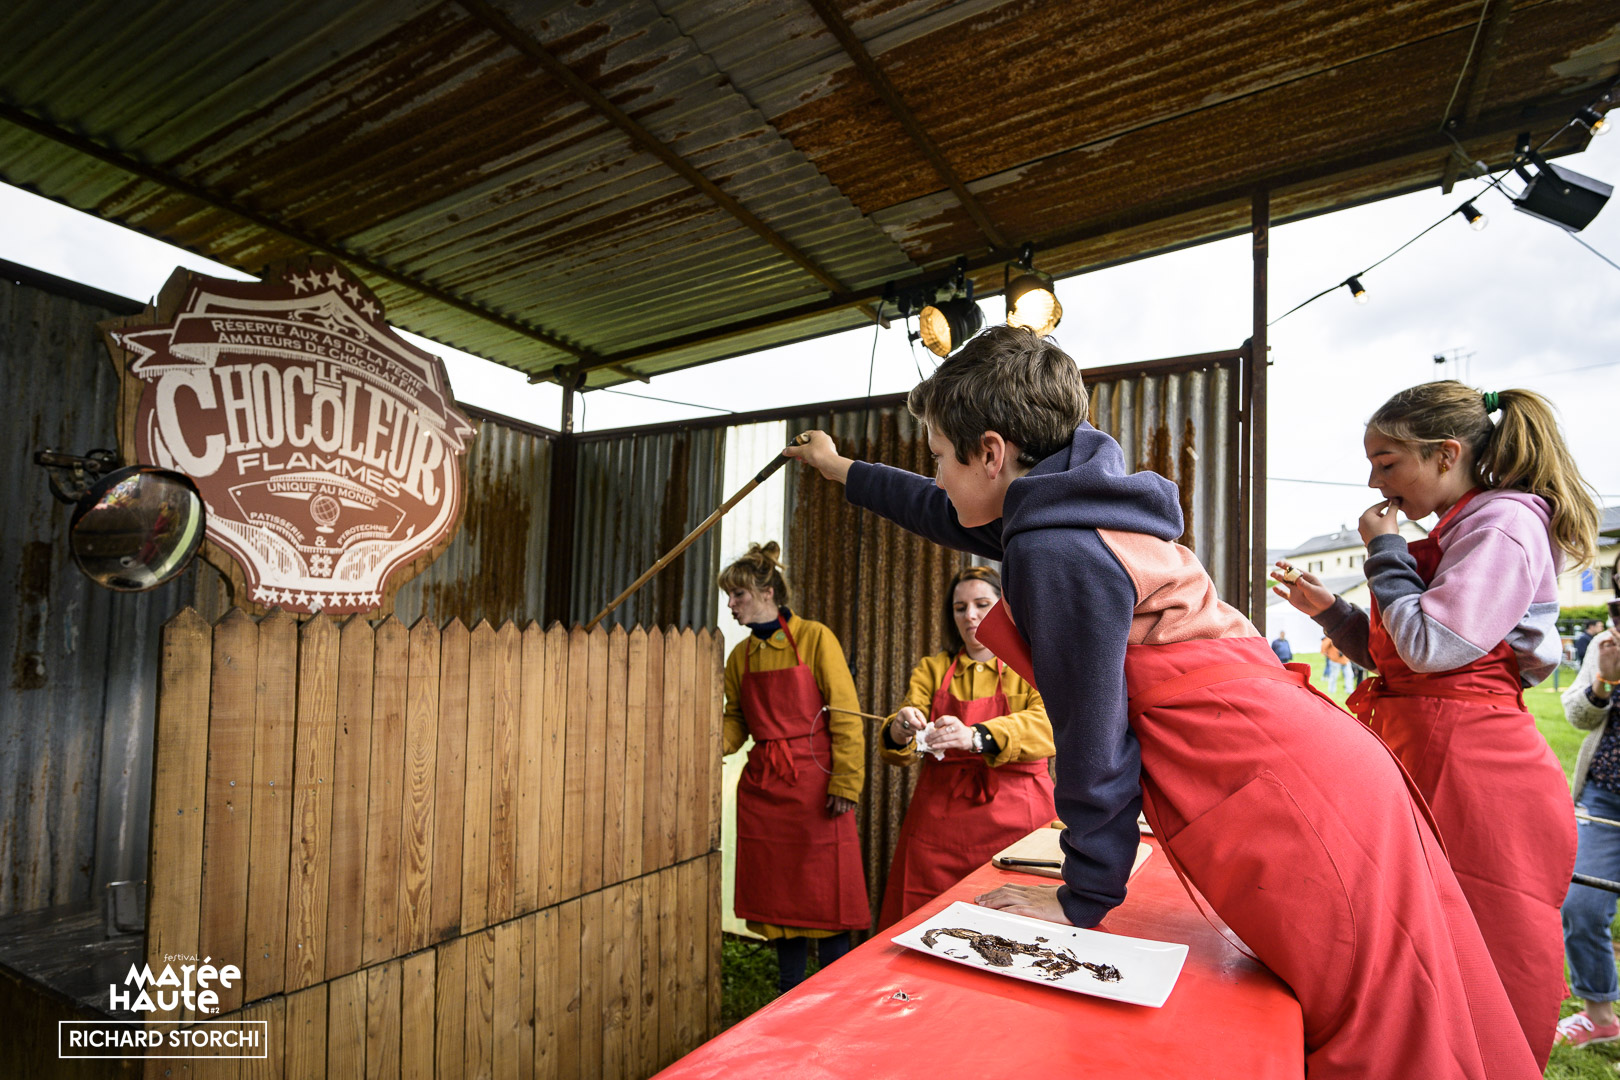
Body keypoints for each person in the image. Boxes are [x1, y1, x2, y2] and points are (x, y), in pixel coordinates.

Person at [787, 327, 1538, 1079]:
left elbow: (1092, 735)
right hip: (1314, 762)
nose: (937, 477)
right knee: (1416, 1004)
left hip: (1272, 788)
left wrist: (1084, 895)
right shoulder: (1074, 500)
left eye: (939, 457)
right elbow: (947, 509)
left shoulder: (1055, 547)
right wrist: (840, 468)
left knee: (1377, 1037)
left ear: (991, 453)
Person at [1274, 381, 1599, 1068]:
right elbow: (1405, 654)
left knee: (1481, 943)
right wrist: (1332, 613)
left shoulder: (1502, 524)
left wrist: (1386, 552)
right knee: (1414, 932)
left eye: (1387, 462)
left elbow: (1430, 646)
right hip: (1429, 744)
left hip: (1474, 767)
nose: (1375, 481)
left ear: (1446, 453)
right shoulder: (1463, 526)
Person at [720, 542, 869, 992]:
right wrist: (704, 748)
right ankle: (788, 993)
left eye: (738, 595)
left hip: (818, 788)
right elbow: (736, 720)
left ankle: (833, 997)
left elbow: (846, 714)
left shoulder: (815, 638)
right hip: (764, 791)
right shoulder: (739, 657)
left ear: (767, 592)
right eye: (729, 596)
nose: (731, 605)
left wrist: (845, 782)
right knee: (779, 900)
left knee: (827, 897)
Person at [878, 565, 1056, 929]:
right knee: (924, 922)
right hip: (937, 825)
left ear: (1005, 608)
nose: (970, 615)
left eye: (981, 604)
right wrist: (900, 729)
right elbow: (904, 739)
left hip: (1019, 822)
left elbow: (1051, 726)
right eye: (960, 608)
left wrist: (977, 736)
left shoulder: (1033, 664)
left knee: (1016, 927)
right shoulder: (932, 669)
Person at [1557, 605, 1620, 1046]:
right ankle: (1600, 1017)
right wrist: (1605, 680)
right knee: (1581, 905)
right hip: (1605, 797)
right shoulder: (1605, 644)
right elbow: (1579, 717)